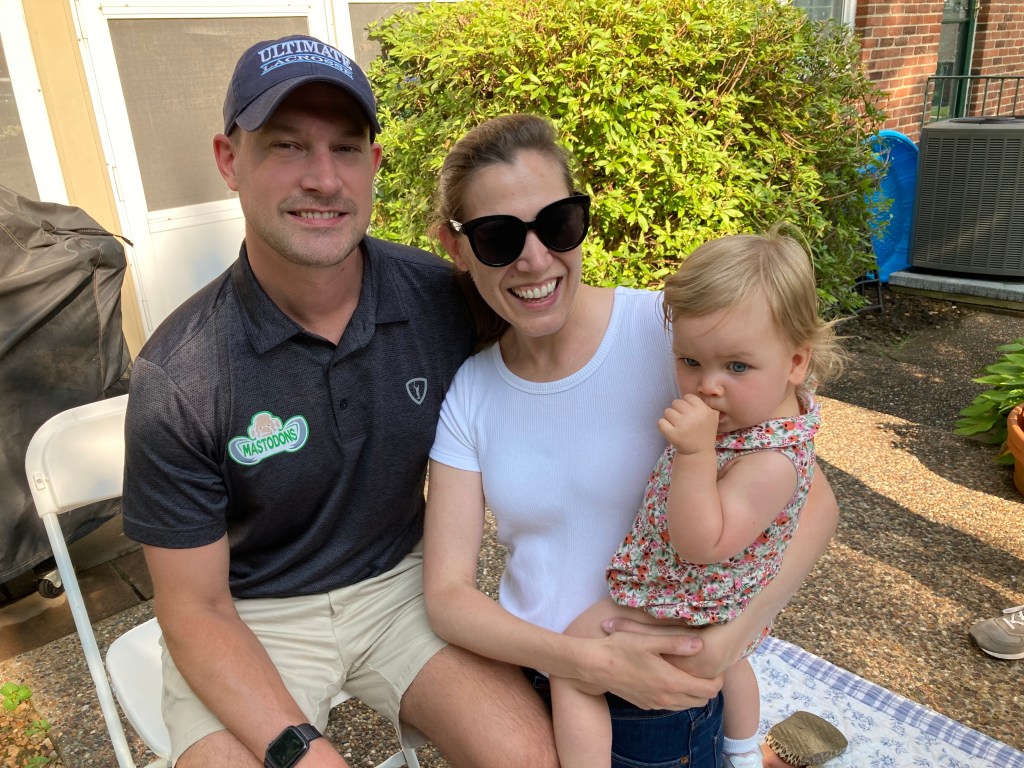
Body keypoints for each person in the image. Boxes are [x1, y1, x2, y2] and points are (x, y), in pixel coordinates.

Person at [120, 35, 562, 768]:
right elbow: (194, 607)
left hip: (403, 588)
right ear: (229, 161)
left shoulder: (439, 299)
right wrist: (303, 752)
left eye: (347, 148)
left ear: (375, 163)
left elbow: (565, 331)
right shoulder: (182, 374)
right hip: (250, 614)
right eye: (287, 145)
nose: (323, 179)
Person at [423, 113, 841, 768]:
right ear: (457, 247)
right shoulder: (473, 390)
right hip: (524, 680)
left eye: (557, 223)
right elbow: (448, 597)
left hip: (652, 700)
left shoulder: (676, 337)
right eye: (498, 237)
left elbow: (811, 499)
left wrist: (731, 637)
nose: (535, 258)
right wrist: (580, 661)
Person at [550, 225, 844, 768]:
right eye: (690, 361)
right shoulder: (763, 419)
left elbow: (700, 543)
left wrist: (694, 454)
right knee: (734, 664)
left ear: (796, 363)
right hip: (714, 603)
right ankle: (745, 753)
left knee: (573, 661)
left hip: (687, 600)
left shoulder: (771, 461)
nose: (708, 385)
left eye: (737, 366)